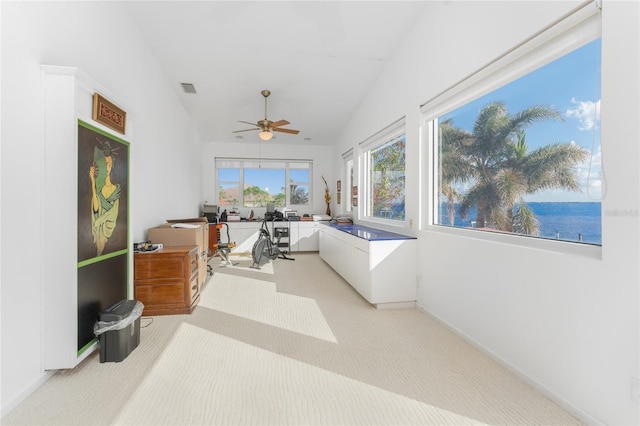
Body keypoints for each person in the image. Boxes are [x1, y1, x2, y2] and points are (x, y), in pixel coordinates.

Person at [89, 138, 121, 256]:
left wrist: (100, 221)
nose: (107, 167)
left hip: (107, 226)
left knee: (102, 242)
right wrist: (93, 182)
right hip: (98, 227)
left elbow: (113, 213)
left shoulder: (115, 189)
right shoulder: (99, 188)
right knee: (99, 244)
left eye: (109, 164)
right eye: (105, 164)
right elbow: (96, 209)